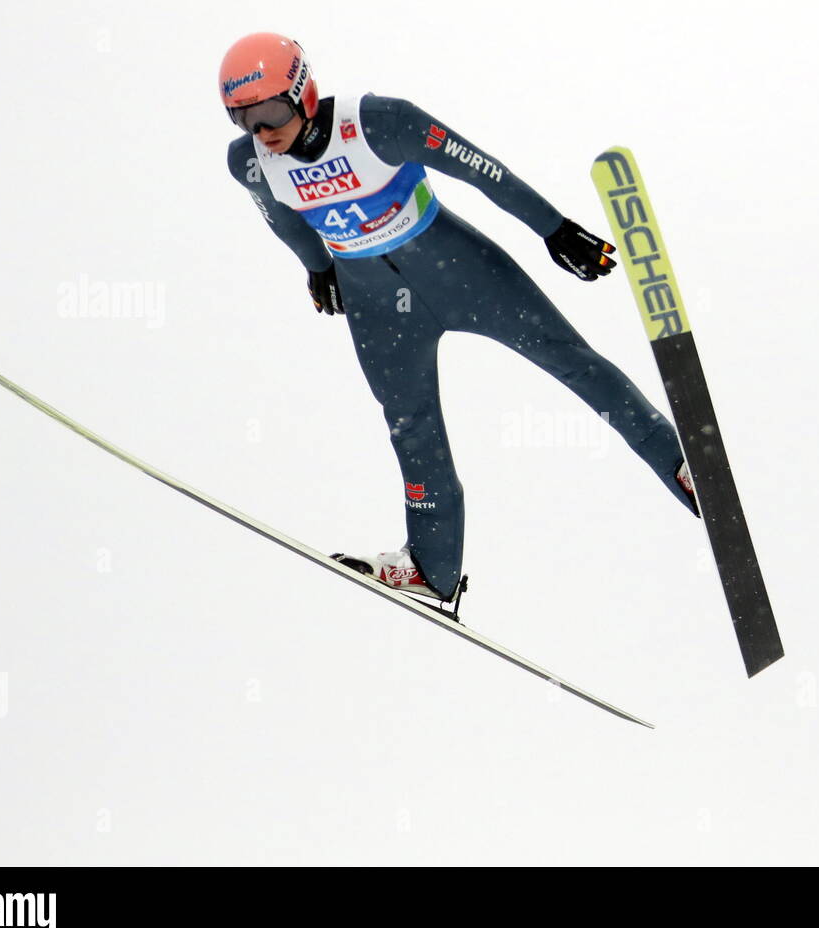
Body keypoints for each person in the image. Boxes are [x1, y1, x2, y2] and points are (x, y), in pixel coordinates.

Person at [220, 32, 697, 606]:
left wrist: (554, 228)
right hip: (376, 306)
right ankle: (432, 567)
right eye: (243, 119)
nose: (262, 131)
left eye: (271, 110)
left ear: (304, 91)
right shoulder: (249, 162)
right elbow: (282, 219)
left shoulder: (379, 122)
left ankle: (682, 466)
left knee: (569, 360)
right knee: (410, 428)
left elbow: (481, 170)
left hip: (460, 272)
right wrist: (317, 267)